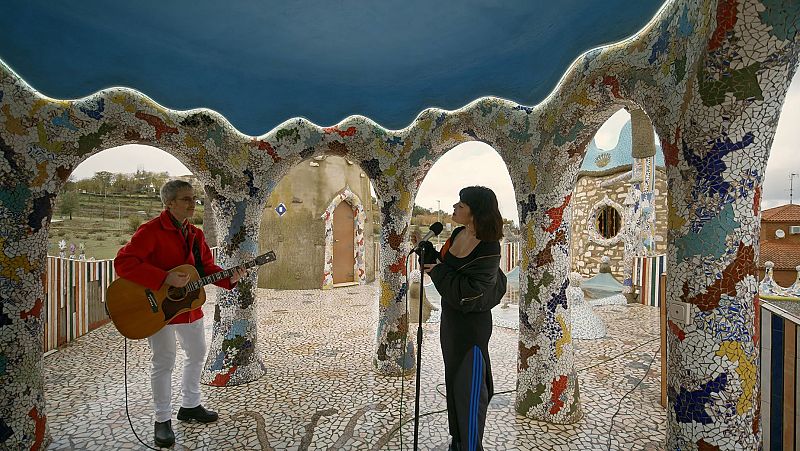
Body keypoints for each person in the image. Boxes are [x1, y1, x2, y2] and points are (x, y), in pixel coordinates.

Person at [114, 180, 246, 448]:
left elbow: (205, 268)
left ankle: (190, 405)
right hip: (157, 310)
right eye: (186, 198)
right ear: (170, 203)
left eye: (193, 198)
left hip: (188, 308)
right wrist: (164, 278)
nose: (192, 202)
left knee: (197, 354)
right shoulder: (150, 231)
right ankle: (162, 419)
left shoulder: (195, 235)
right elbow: (123, 263)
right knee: (164, 361)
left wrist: (229, 279)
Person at [423, 186, 507, 451]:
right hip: (450, 323)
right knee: (453, 382)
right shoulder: (458, 233)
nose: (455, 208)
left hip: (472, 327)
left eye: (461, 204)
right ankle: (457, 441)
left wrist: (436, 272)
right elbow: (448, 269)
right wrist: (431, 257)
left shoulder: (489, 248)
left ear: (475, 211)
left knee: (470, 389)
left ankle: (471, 446)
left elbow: (470, 293)